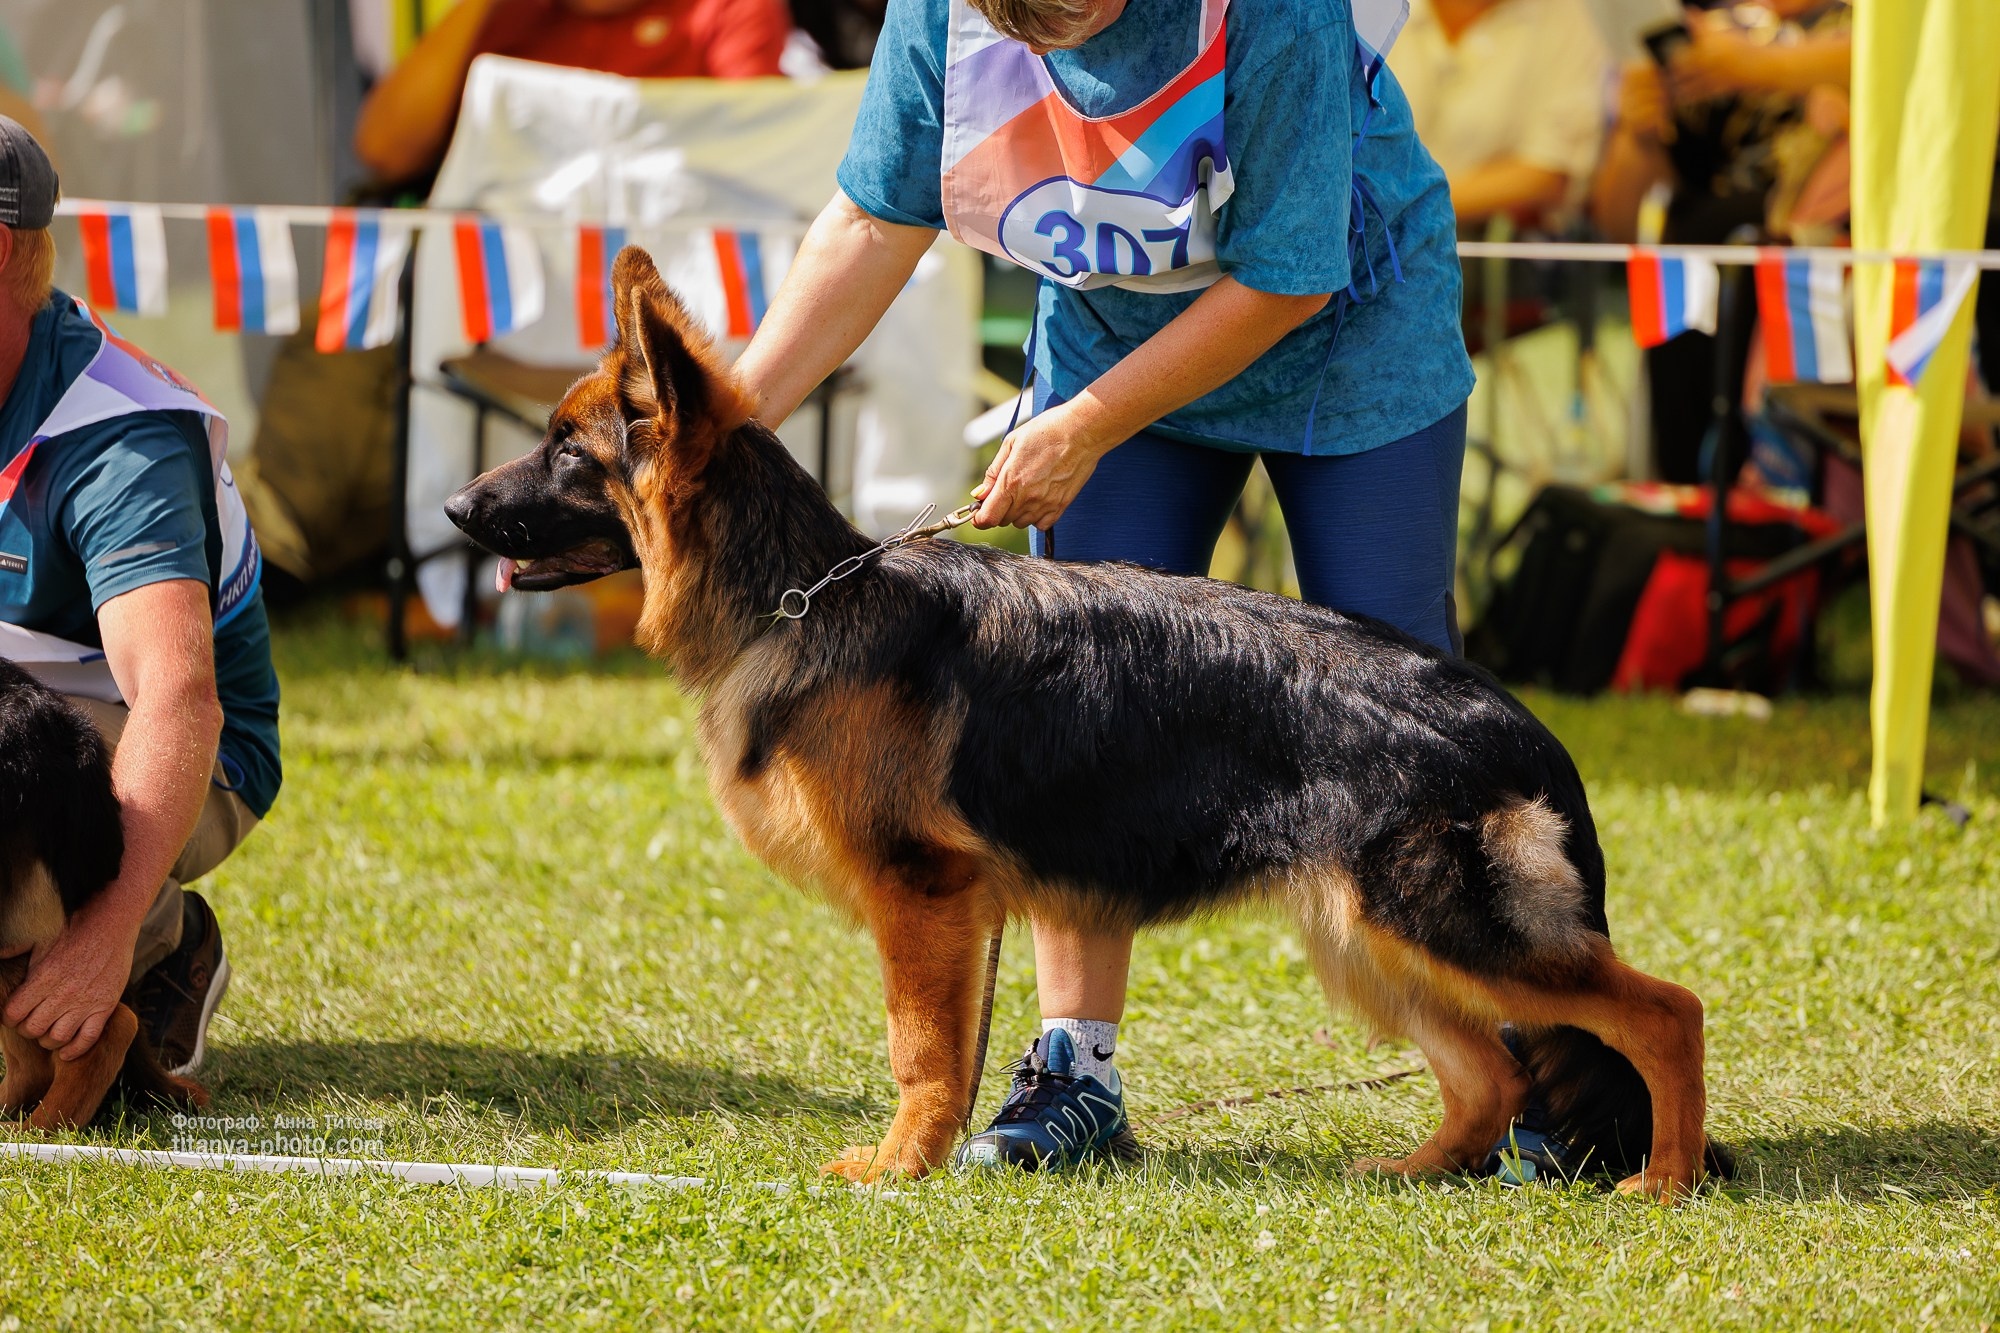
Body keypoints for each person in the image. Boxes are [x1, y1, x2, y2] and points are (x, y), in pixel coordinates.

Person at [730, 0, 1476, 1169]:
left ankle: (1517, 1077)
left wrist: (1082, 425)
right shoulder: (935, 14)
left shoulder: (1272, 11)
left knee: (1396, 708)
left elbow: (1283, 275)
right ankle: (1073, 1077)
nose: (1057, 33)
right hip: (1109, 340)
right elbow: (875, 218)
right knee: (1072, 704)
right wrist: (729, 423)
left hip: (1346, 337)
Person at [0, 119, 277, 1076]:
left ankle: (157, 944)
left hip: (187, 752)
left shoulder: (116, 435)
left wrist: (104, 932)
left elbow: (179, 699)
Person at [1590, 0, 1851, 482]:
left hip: (1826, 253)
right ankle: (1691, 503)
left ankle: (1743, 502)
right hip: (1707, 265)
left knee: (1737, 246)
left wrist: (1768, 67)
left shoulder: (1873, 23)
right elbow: (1620, 226)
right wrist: (1636, 134)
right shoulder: (1713, 39)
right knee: (1685, 257)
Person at [353, 0, 793, 187]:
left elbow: (768, 158)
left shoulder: (725, 9)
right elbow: (384, 149)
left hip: (672, 296)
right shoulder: (504, 16)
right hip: (494, 294)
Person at [1390, 0, 1611, 229]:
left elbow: (1550, 175)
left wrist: (1399, 204)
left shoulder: (1564, 19)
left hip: (1487, 246)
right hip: (1366, 236)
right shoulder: (1360, 10)